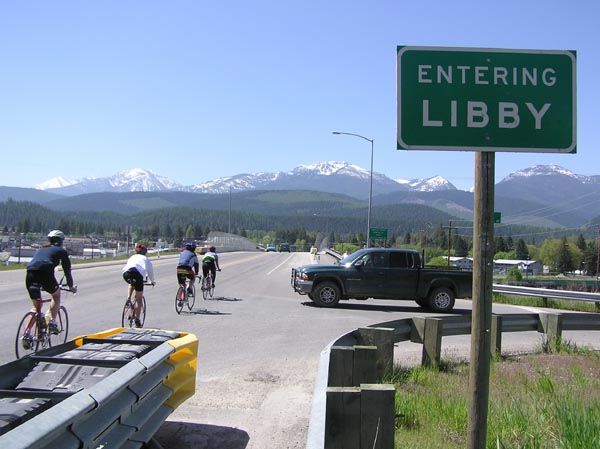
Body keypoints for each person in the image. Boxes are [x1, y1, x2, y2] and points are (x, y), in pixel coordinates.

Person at [24, 230, 75, 342]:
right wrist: (71, 286)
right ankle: (52, 322)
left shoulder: (41, 249)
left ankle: (26, 334)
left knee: (37, 306)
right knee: (56, 296)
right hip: (45, 274)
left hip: (30, 274)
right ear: (61, 241)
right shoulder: (61, 251)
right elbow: (67, 270)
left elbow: (38, 265)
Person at [122, 244, 155, 328]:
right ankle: (137, 319)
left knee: (132, 282)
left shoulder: (132, 257)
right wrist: (152, 281)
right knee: (139, 299)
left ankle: (128, 298)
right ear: (144, 252)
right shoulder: (145, 259)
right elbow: (150, 272)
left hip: (126, 274)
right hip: (137, 275)